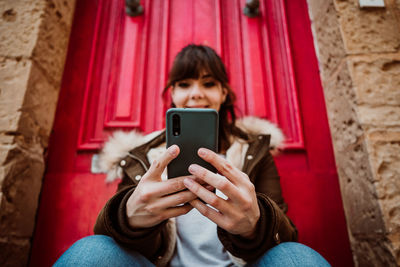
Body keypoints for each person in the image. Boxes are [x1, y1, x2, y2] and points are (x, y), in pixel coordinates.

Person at [55, 44, 330, 266]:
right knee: (92, 251)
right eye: (184, 84)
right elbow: (112, 239)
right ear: (172, 93)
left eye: (208, 83)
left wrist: (256, 224)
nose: (196, 94)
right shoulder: (142, 156)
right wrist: (129, 218)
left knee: (297, 258)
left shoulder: (254, 151)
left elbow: (287, 235)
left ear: (223, 93)